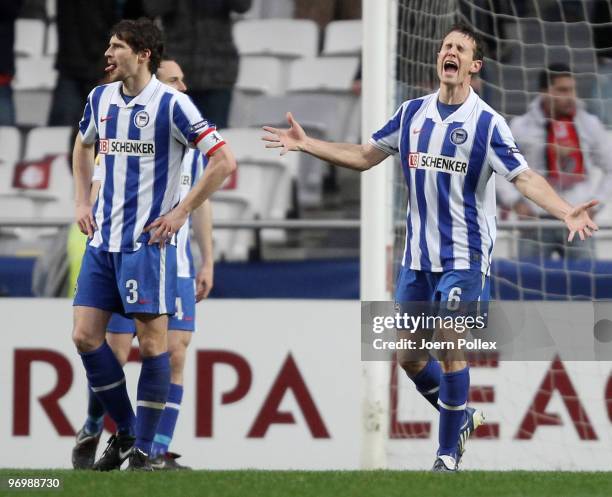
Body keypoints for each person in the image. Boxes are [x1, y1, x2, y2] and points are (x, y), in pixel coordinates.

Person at [262, 23, 597, 472]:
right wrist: (308, 145)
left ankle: (445, 457)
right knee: (409, 356)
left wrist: (565, 211)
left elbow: (525, 177)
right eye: (446, 46)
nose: (450, 52)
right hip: (417, 259)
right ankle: (460, 417)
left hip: (465, 257)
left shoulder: (487, 123)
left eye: (460, 48)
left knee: (449, 339)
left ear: (474, 66)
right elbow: (365, 156)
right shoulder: (411, 114)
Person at [71, 18, 235, 471]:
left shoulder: (172, 105)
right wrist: (82, 199)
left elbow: (224, 161)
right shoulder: (100, 98)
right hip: (102, 241)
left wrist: (180, 212)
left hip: (147, 245)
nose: (108, 53)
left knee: (153, 346)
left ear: (143, 54)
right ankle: (125, 430)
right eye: (108, 44)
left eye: (117, 46)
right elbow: (82, 146)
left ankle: (144, 449)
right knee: (85, 337)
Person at [498, 63, 612, 261]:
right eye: (562, 90)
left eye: (572, 89)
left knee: (584, 284)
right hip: (535, 218)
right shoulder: (521, 126)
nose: (570, 96)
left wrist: (595, 206)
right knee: (528, 282)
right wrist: (515, 202)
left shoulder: (589, 124)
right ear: (545, 92)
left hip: (577, 216)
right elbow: (500, 167)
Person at [142, 0, 252, 129]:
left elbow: (243, 6)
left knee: (215, 139)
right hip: (176, 71)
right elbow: (153, 8)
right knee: (172, 139)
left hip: (218, 70)